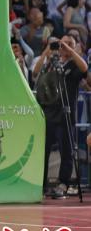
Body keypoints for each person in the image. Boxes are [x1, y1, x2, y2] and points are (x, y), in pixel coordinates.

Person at [32, 36, 88, 199]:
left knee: (67, 151)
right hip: (48, 112)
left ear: (75, 47)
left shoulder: (74, 65)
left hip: (66, 112)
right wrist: (47, 50)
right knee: (44, 149)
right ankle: (40, 185)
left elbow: (85, 69)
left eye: (70, 44)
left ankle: (63, 184)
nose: (64, 47)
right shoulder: (51, 62)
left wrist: (70, 50)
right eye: (63, 43)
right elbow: (35, 72)